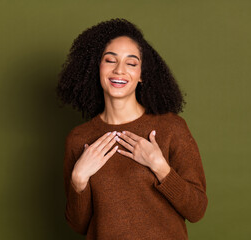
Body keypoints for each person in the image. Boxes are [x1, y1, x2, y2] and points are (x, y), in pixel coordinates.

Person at [57, 18, 208, 240]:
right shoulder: (79, 138)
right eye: (110, 60)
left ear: (142, 74)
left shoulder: (171, 128)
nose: (119, 70)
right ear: (96, 67)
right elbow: (80, 225)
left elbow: (197, 210)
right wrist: (79, 179)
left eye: (131, 63)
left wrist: (160, 167)